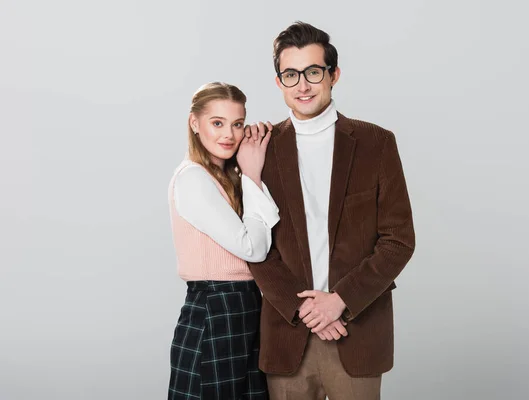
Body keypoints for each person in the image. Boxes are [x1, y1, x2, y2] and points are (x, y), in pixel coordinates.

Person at [247, 22, 416, 399]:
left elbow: (398, 240)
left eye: (313, 72)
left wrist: (338, 302)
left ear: (333, 75)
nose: (302, 85)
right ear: (279, 83)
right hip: (289, 336)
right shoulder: (260, 149)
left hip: (356, 332)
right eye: (291, 74)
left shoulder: (376, 143)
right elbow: (254, 245)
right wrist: (305, 309)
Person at [167, 82, 276, 399]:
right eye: (217, 123)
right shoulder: (193, 178)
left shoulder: (226, 176)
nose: (229, 134)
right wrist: (254, 176)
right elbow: (253, 249)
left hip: (243, 309)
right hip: (216, 309)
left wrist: (248, 175)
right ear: (194, 123)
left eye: (237, 124)